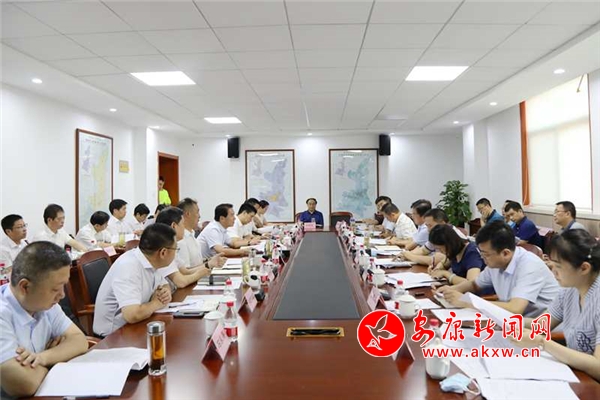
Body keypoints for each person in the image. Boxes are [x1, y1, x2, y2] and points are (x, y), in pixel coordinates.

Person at [509, 229, 600, 381]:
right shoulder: (569, 289)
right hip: (575, 374)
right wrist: (506, 321)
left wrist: (542, 342)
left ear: (584, 268)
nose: (553, 271)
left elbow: (598, 366)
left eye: (558, 266)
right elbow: (541, 325)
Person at [0, 242, 87, 398]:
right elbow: (24, 384)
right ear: (25, 287)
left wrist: (42, 357)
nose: (62, 295)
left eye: (64, 286)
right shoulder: (2, 314)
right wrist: (57, 359)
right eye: (55, 289)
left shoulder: (45, 304)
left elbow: (79, 340)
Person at [435, 221, 559, 317]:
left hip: (542, 330)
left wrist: (467, 302)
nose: (482, 258)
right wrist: (451, 290)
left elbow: (515, 309)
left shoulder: (529, 265)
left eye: (486, 254)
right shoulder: (495, 263)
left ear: (505, 253)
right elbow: (475, 284)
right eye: (481, 253)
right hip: (513, 323)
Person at [93, 224, 176, 337]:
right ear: (163, 252)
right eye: (176, 249)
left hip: (137, 325)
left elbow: (164, 285)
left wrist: (166, 293)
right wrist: (157, 303)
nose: (176, 253)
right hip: (113, 336)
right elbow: (132, 315)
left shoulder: (150, 260)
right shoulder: (128, 266)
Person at [155, 207, 219, 288]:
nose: (184, 228)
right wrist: (199, 274)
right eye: (182, 224)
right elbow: (180, 282)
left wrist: (208, 265)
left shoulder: (170, 246)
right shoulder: (164, 249)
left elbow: (185, 272)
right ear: (174, 226)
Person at [176, 198, 226, 270]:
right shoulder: (180, 239)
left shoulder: (192, 234)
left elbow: (196, 262)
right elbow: (186, 272)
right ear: (188, 214)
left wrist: (210, 260)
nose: (199, 216)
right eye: (197, 212)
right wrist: (208, 264)